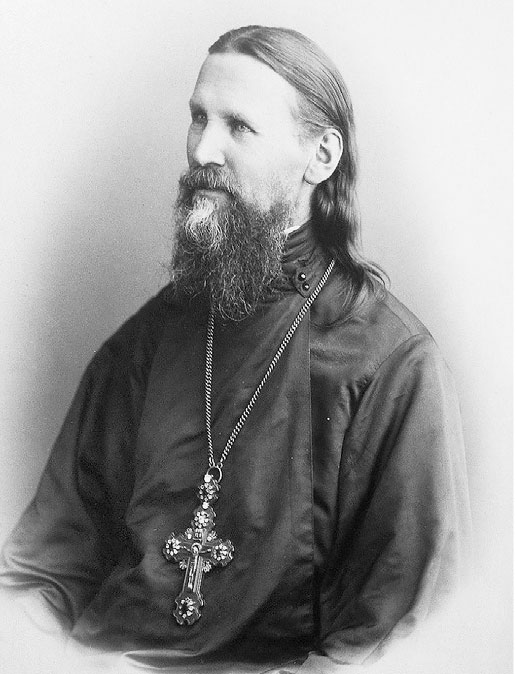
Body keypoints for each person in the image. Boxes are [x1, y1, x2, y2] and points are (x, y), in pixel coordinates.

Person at [0, 25, 470, 673]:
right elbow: (48, 570)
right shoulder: (145, 340)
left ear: (320, 157)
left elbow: (389, 635)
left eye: (239, 127)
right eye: (198, 117)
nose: (202, 150)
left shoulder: (392, 362)